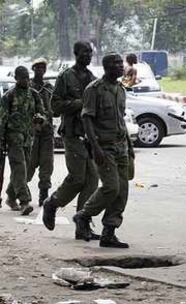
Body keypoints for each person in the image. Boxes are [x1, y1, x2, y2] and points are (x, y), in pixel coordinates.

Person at [73, 53, 134, 248]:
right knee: (111, 187)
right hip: (104, 147)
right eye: (116, 63)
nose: (120, 66)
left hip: (121, 147)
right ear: (107, 67)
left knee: (122, 191)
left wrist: (130, 145)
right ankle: (83, 216)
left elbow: (120, 119)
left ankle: (109, 231)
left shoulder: (120, 89)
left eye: (120, 63)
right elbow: (87, 118)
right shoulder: (94, 89)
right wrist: (95, 147)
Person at [42, 41, 100, 240]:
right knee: (78, 178)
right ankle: (52, 203)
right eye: (84, 52)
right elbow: (55, 106)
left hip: (90, 135)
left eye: (90, 52)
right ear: (75, 54)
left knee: (92, 180)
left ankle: (82, 223)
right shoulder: (66, 77)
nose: (88, 55)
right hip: (72, 133)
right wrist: (78, 103)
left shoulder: (93, 79)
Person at [0, 66, 45, 215]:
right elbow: (2, 120)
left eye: (27, 77)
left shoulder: (34, 94)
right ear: (16, 79)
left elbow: (42, 111)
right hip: (13, 138)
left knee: (23, 171)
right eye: (23, 78)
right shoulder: (9, 96)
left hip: (28, 137)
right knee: (19, 167)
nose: (26, 80)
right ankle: (25, 201)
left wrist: (40, 119)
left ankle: (11, 197)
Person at [27, 58, 54, 207]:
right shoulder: (28, 86)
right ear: (33, 69)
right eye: (37, 67)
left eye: (43, 67)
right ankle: (18, 193)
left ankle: (43, 195)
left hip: (47, 131)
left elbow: (54, 106)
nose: (40, 70)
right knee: (29, 164)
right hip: (31, 131)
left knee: (47, 164)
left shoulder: (49, 88)